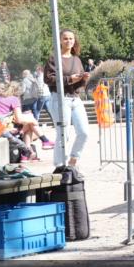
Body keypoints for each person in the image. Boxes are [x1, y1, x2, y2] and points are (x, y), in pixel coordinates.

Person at [45, 28, 90, 168]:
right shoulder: (54, 58)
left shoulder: (77, 59)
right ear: (60, 40)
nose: (69, 41)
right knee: (64, 134)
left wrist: (84, 79)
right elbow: (48, 79)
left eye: (71, 38)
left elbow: (80, 84)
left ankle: (73, 159)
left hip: (75, 98)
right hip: (60, 99)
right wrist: (69, 79)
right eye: (65, 38)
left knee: (84, 132)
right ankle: (59, 166)